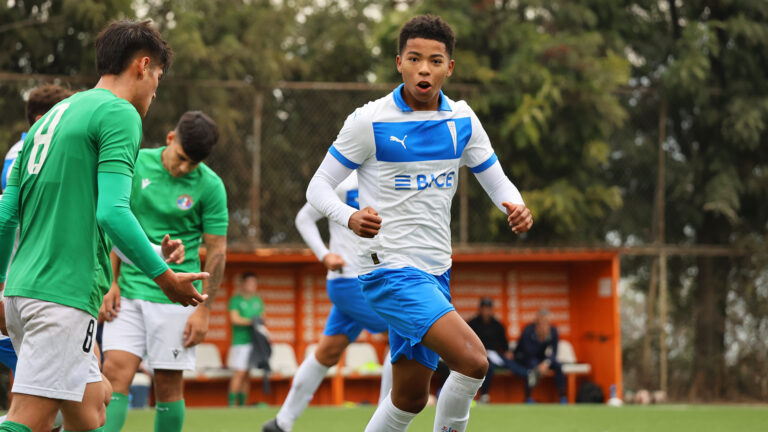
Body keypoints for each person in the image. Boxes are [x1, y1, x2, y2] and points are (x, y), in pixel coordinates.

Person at [305, 14, 533, 432]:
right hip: (389, 271)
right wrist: (350, 216)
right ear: (399, 62)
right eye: (414, 58)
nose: (423, 68)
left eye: (434, 60)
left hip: (435, 272)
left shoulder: (462, 121)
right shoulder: (369, 121)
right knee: (473, 361)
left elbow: (497, 180)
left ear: (449, 67)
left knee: (409, 398)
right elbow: (318, 187)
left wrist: (514, 206)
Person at [0, 20, 208, 432]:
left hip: (23, 292)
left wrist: (1, 286)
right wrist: (164, 277)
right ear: (143, 66)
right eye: (158, 78)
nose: (155, 90)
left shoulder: (52, 116)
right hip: (62, 294)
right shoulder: (119, 113)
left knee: (93, 408)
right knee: (30, 418)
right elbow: (112, 212)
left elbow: (8, 214)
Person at [99, 110, 228, 432]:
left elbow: (217, 251)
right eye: (182, 157)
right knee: (114, 374)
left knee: (168, 385)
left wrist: (205, 310)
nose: (184, 168)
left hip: (177, 298)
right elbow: (115, 226)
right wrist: (109, 283)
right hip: (127, 292)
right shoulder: (137, 163)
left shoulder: (211, 186)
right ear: (170, 139)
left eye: (193, 164)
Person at [263, 171, 392, 432]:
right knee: (404, 331)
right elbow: (304, 218)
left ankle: (280, 423)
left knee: (327, 352)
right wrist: (324, 255)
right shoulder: (346, 184)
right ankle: (386, 426)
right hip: (349, 282)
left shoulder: (390, 178)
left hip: (370, 281)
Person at [0, 84, 75, 376]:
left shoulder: (23, 151)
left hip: (29, 285)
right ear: (43, 118)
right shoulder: (27, 153)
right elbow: (12, 216)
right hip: (30, 287)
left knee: (84, 396)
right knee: (60, 397)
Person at [467, 297, 531, 403]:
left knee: (511, 364)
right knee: (489, 366)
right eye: (484, 308)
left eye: (488, 308)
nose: (486, 311)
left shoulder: (497, 324)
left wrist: (507, 352)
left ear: (492, 310)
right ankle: (484, 395)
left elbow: (504, 344)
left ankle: (529, 376)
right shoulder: (473, 323)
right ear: (480, 309)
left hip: (495, 354)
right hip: (477, 354)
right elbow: (467, 342)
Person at [511, 308, 566, 404]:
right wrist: (541, 338)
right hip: (526, 358)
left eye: (547, 322)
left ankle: (562, 397)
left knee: (558, 365)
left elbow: (554, 352)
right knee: (533, 365)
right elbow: (528, 352)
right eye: (542, 322)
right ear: (537, 321)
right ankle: (528, 397)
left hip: (543, 360)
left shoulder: (553, 331)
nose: (544, 325)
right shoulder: (528, 330)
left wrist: (546, 363)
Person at [227, 272, 265, 406]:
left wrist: (258, 322)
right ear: (242, 284)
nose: (252, 286)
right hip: (240, 342)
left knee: (247, 375)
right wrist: (252, 322)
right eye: (249, 283)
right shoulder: (236, 300)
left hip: (253, 343)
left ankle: (242, 405)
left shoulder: (257, 301)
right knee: (240, 373)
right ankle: (231, 405)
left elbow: (262, 319)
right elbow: (235, 319)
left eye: (254, 283)